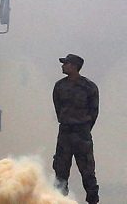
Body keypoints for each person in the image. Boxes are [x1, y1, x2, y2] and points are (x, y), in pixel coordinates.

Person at [53, 53, 99, 203]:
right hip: (65, 132)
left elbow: (94, 111)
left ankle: (92, 200)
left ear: (74, 66)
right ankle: (60, 200)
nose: (63, 66)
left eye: (66, 64)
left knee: (87, 172)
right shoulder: (60, 86)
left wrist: (84, 127)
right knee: (60, 172)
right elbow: (58, 107)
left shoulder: (89, 87)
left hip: (82, 134)